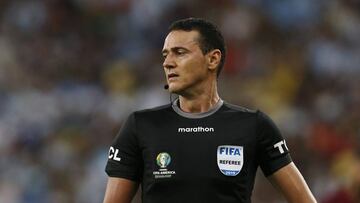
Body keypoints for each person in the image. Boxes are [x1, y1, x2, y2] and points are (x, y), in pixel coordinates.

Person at [103, 17, 317, 203]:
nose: (167, 63)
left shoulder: (254, 126)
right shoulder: (140, 126)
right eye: (165, 55)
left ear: (213, 59)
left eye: (179, 53)